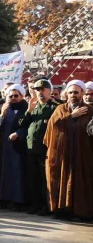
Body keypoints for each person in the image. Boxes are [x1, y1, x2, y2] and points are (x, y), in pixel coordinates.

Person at [44, 80, 92, 220]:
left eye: (76, 92)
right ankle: (62, 211)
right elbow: (52, 127)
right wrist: (71, 116)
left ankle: (79, 212)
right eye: (70, 92)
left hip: (82, 154)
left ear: (82, 93)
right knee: (61, 181)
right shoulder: (60, 109)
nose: (73, 95)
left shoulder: (89, 111)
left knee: (79, 182)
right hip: (62, 154)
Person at [17, 79, 59, 215]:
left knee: (44, 180)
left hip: (45, 149)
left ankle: (46, 207)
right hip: (31, 148)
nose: (40, 92)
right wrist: (29, 110)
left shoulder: (55, 106)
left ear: (49, 91)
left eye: (43, 89)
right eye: (37, 90)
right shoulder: (33, 106)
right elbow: (21, 124)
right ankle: (35, 204)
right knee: (33, 179)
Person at [0, 85, 29, 210]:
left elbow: (29, 125)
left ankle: (18, 201)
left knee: (18, 174)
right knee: (6, 173)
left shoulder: (26, 108)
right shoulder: (7, 109)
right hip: (7, 146)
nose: (13, 98)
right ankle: (5, 199)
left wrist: (19, 134)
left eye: (16, 96)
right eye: (11, 96)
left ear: (22, 96)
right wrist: (2, 114)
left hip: (20, 146)